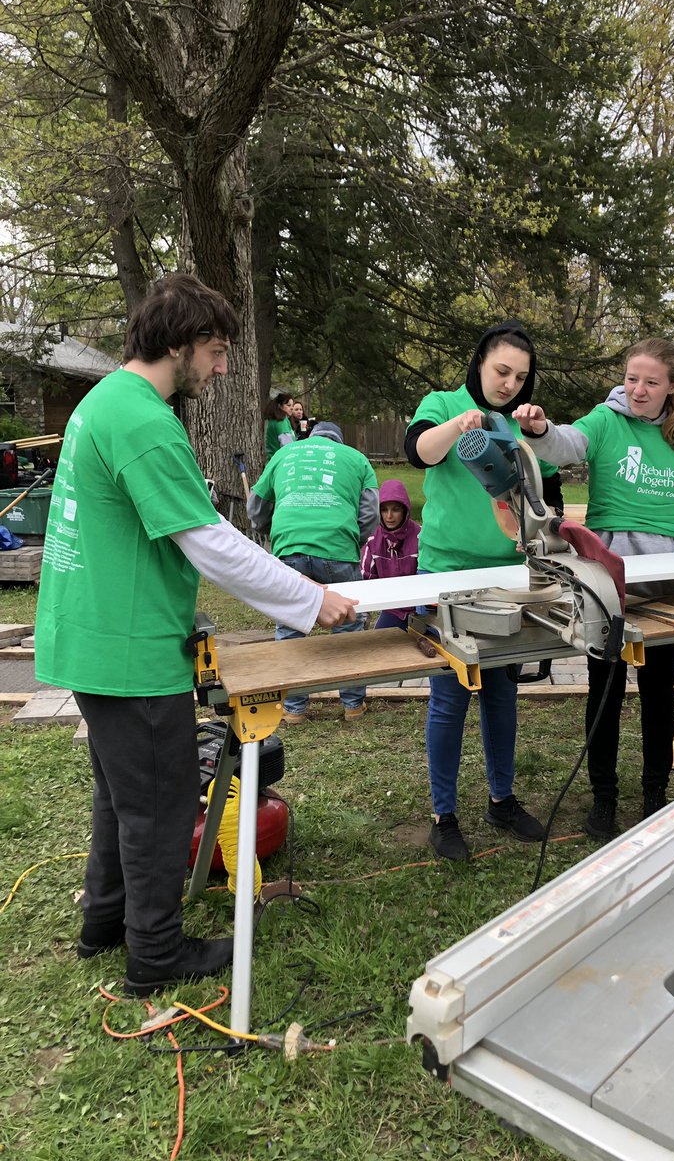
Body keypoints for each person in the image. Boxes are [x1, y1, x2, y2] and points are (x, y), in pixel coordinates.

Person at [33, 274, 358, 997]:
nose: (219, 368)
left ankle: (106, 925)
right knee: (158, 804)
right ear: (177, 343)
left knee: (121, 796)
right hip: (129, 646)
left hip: (94, 636)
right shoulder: (144, 420)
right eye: (214, 351)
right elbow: (209, 542)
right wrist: (311, 600)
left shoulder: (106, 403)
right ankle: (154, 955)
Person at [514, 337, 674, 843]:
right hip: (609, 578)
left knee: (658, 692)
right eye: (631, 378)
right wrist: (538, 428)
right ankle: (603, 799)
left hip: (666, 579)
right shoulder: (605, 421)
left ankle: (654, 794)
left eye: (650, 381)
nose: (638, 389)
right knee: (604, 691)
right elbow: (566, 444)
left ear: (672, 387)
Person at [405, 321, 558, 861]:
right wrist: (456, 424)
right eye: (501, 371)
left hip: (505, 575)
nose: (510, 383)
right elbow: (419, 451)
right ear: (479, 363)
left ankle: (501, 799)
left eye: (520, 376)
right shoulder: (442, 402)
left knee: (501, 693)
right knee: (449, 694)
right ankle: (443, 815)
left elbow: (547, 487)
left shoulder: (517, 424)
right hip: (447, 573)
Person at [248, 421, 379, 723]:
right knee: (348, 627)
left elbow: (256, 509)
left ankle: (294, 710)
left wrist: (275, 531)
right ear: (339, 440)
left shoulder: (283, 455)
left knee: (291, 629)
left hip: (289, 551)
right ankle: (353, 706)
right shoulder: (357, 459)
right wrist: (350, 540)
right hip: (338, 551)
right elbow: (371, 512)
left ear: (311, 436)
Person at [360, 478, 421, 629]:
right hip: (393, 611)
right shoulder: (372, 542)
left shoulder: (422, 537)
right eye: (384, 510)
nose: (389, 516)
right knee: (378, 643)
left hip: (422, 610)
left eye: (395, 510)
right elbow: (365, 582)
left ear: (405, 510)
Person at [263, 392, 294, 458]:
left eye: (292, 405)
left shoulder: (274, 420)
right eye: (288, 405)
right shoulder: (280, 422)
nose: (291, 408)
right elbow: (288, 447)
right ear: (280, 406)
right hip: (280, 462)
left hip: (272, 460)